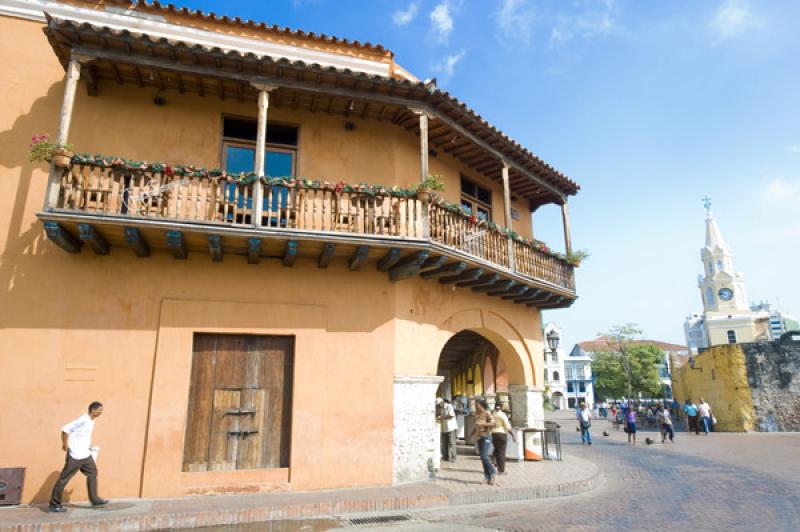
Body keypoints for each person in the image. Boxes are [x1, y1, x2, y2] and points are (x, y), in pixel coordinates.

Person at [49, 402, 109, 512]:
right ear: (93, 410)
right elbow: (65, 429)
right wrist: (64, 444)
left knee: (93, 472)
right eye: (100, 410)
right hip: (75, 455)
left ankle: (94, 499)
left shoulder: (92, 421)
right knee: (64, 479)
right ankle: (54, 504)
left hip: (85, 454)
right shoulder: (83, 419)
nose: (101, 412)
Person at [469, 400, 497, 485]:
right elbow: (476, 426)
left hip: (486, 436)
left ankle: (493, 472)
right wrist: (471, 434)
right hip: (479, 438)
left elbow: (493, 424)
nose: (476, 407)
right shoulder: (477, 415)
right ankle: (487, 477)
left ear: (482, 406)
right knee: (482, 458)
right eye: (476, 406)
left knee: (484, 456)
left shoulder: (487, 413)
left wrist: (483, 425)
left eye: (478, 406)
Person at [491, 403, 516, 474]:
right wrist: (513, 435)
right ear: (501, 407)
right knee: (501, 452)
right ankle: (501, 470)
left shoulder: (493, 414)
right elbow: (507, 427)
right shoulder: (502, 415)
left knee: (497, 450)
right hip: (501, 434)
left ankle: (494, 463)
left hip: (494, 434)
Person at [438, 398, 458, 462]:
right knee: (444, 443)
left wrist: (442, 417)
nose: (439, 405)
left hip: (451, 427)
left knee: (452, 443)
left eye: (439, 404)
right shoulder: (440, 408)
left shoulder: (449, 406)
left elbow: (451, 415)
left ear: (442, 402)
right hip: (444, 428)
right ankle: (445, 457)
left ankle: (453, 457)